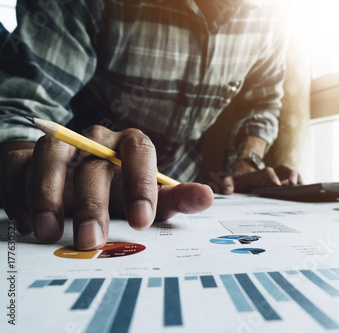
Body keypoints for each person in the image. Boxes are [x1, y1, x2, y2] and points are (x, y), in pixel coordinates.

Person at [0, 0, 302, 250]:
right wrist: (30, 168)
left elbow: (262, 104)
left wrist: (247, 162)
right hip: (78, 184)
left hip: (181, 192)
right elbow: (23, 105)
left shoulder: (275, 14)